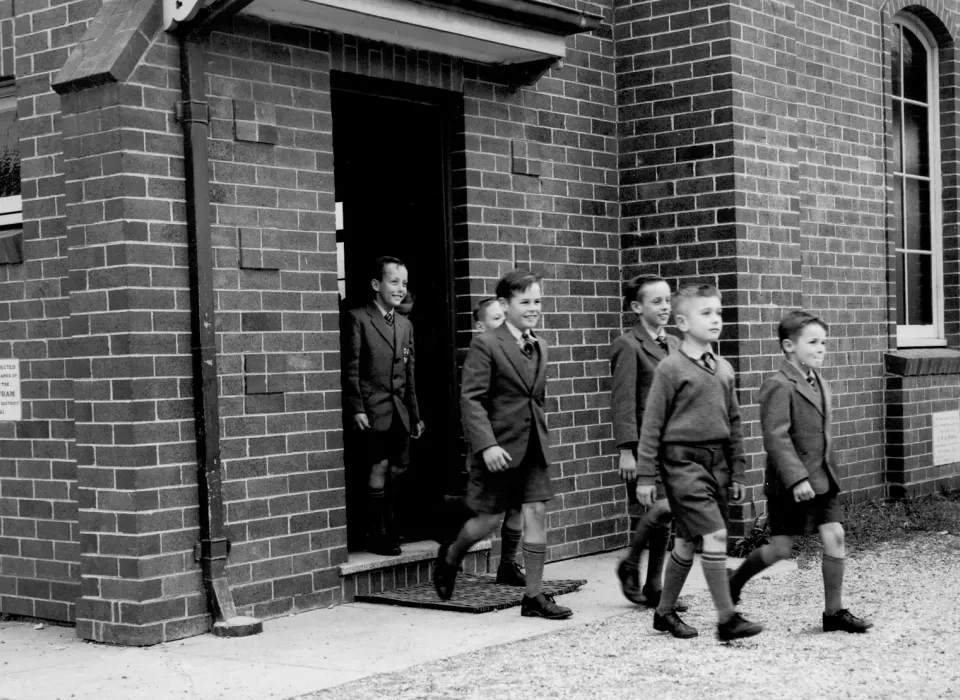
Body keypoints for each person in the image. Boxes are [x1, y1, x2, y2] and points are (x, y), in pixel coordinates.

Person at [434, 269, 571, 619]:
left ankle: (533, 596)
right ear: (505, 304)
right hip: (498, 448)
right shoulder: (487, 343)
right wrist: (487, 445)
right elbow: (472, 399)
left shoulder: (540, 345)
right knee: (489, 520)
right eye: (525, 301)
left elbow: (535, 399)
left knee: (536, 512)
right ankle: (452, 555)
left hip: (533, 446)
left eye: (537, 301)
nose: (533, 308)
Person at [728, 310, 873, 633]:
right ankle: (734, 581)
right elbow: (775, 437)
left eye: (824, 342)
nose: (821, 348)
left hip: (823, 477)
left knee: (835, 535)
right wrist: (796, 478)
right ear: (788, 346)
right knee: (781, 548)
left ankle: (833, 613)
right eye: (813, 342)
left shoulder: (818, 381)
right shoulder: (778, 385)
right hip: (789, 482)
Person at [636, 282, 762, 641]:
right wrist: (645, 475)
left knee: (687, 542)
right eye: (706, 313)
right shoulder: (670, 368)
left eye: (718, 312)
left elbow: (734, 423)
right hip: (681, 464)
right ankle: (727, 618)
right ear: (682, 322)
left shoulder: (724, 369)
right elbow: (652, 425)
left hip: (717, 464)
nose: (716, 319)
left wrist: (738, 471)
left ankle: (664, 613)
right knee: (715, 534)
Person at [610, 275, 686, 612]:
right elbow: (623, 401)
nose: (665, 306)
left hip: (674, 445)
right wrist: (626, 450)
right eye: (656, 301)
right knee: (660, 509)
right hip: (644, 446)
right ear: (636, 307)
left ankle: (653, 586)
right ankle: (630, 563)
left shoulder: (676, 344)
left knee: (666, 515)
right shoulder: (628, 346)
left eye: (668, 300)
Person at [342, 256, 425, 556]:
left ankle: (390, 525)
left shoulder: (405, 324)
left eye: (404, 283)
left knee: (399, 467)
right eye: (394, 281)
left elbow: (409, 374)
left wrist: (415, 415)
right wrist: (357, 408)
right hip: (372, 410)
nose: (400, 288)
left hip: (398, 412)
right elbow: (351, 369)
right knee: (378, 466)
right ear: (376, 285)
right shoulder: (358, 318)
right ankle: (375, 533)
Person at [473, 297, 525, 586]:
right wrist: (486, 444)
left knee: (516, 502)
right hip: (488, 442)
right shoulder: (479, 355)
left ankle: (508, 564)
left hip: (514, 440)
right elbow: (473, 403)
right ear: (480, 327)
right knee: (486, 508)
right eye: (496, 320)